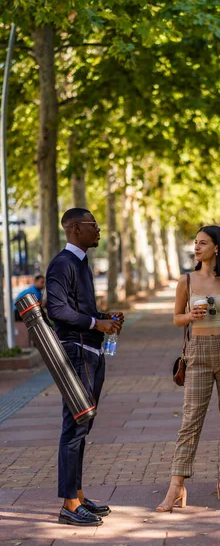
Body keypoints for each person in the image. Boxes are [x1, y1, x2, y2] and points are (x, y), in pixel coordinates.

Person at [156, 225, 220, 512]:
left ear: (217, 248)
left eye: (203, 243)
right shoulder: (186, 281)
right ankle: (176, 485)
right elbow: (176, 318)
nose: (196, 248)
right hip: (197, 353)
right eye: (195, 243)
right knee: (190, 420)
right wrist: (189, 315)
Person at [46, 208, 124, 526]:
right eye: (94, 225)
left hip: (90, 352)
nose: (99, 229)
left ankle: (77, 494)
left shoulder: (80, 263)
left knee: (83, 426)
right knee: (75, 427)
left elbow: (80, 308)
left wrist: (105, 318)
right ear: (76, 228)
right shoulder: (63, 264)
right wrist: (96, 322)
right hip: (76, 354)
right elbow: (57, 310)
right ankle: (69, 503)